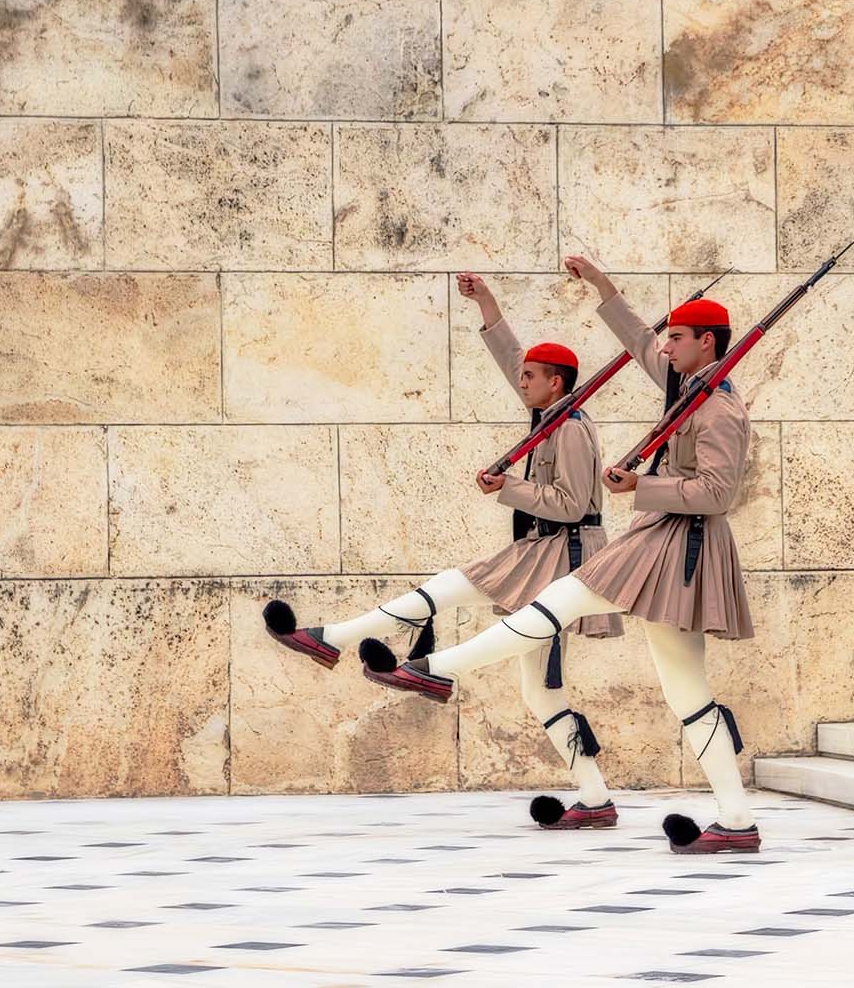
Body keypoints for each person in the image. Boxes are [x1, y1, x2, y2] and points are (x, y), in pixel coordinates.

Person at [358, 254, 761, 855]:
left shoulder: (721, 409)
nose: (665, 347)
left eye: (676, 337)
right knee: (686, 692)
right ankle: (735, 821)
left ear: (707, 342)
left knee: (561, 603)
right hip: (659, 540)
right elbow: (634, 339)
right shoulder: (687, 388)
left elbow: (718, 492)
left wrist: (638, 486)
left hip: (680, 545)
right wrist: (601, 285)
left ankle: (433, 669)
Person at [262, 272, 623, 830]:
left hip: (562, 553)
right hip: (540, 549)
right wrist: (488, 306)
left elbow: (574, 504)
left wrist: (507, 487)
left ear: (557, 383)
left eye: (531, 377)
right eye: (523, 375)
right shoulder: (549, 415)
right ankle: (595, 798)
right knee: (540, 691)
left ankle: (333, 640)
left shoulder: (571, 429)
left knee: (453, 589)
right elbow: (512, 361)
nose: (520, 382)